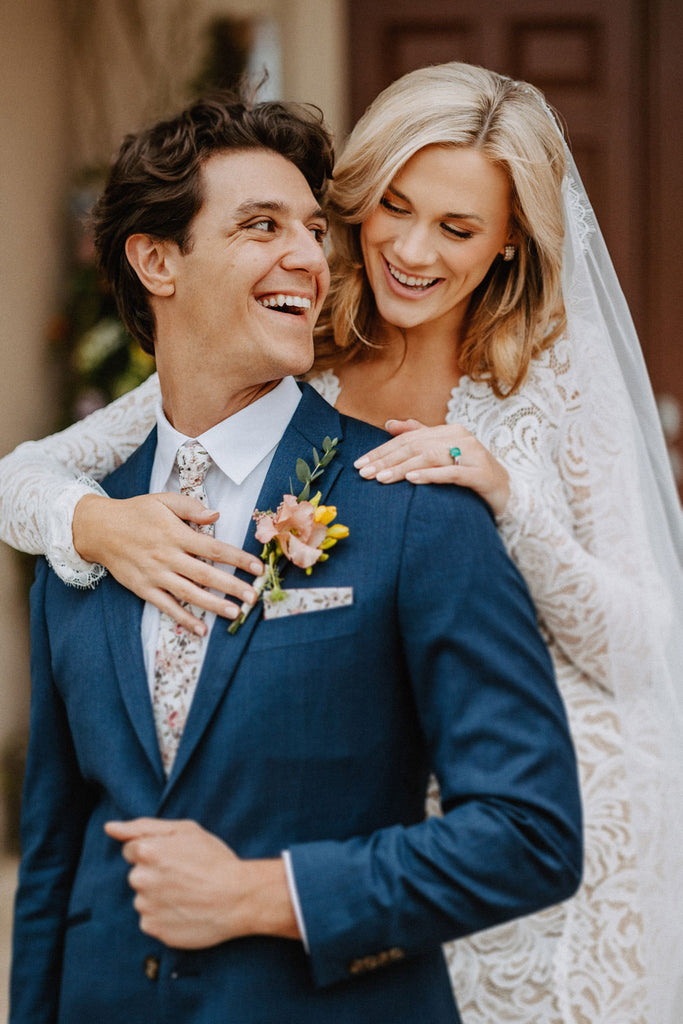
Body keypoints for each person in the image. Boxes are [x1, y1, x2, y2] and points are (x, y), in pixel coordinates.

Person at [2, 62, 681, 1023]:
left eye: (456, 229)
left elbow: (642, 649)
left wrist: (510, 503)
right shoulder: (289, 352)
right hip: (324, 866)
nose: (411, 248)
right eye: (392, 208)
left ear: (505, 247)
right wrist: (89, 524)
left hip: (534, 841)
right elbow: (29, 472)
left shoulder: (523, 415)